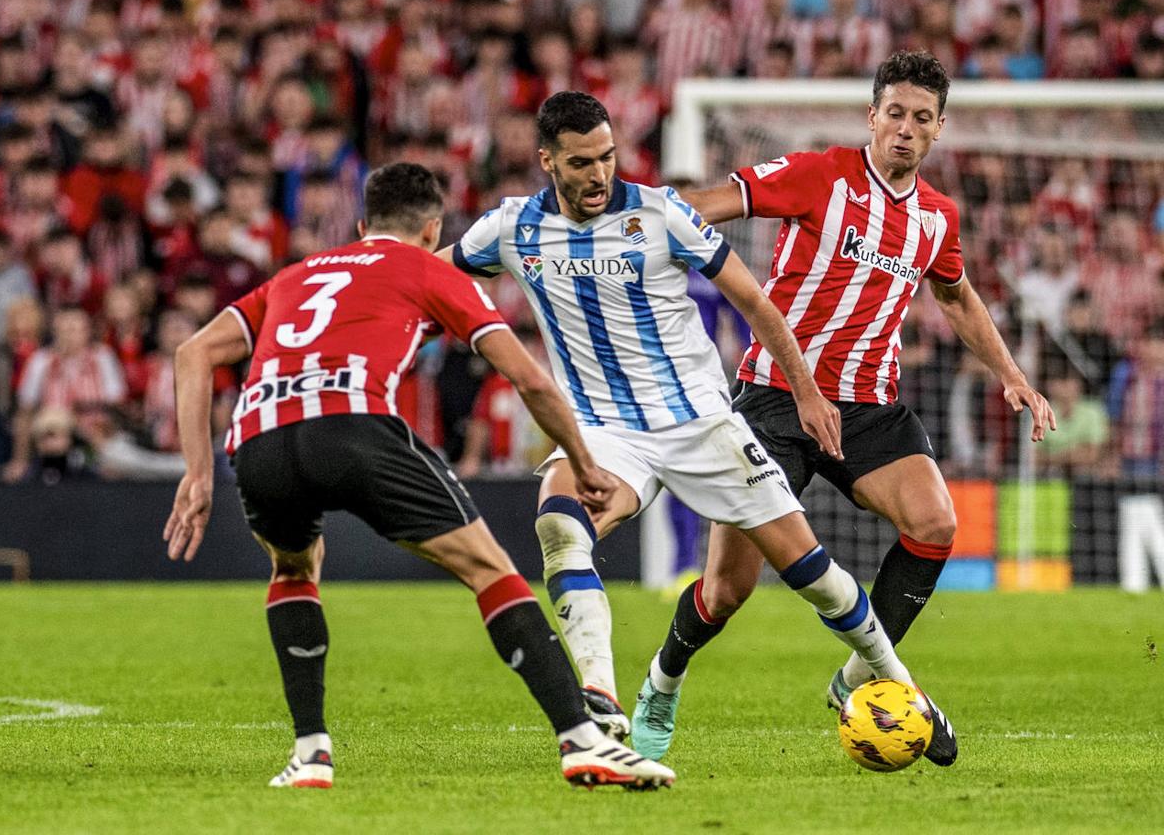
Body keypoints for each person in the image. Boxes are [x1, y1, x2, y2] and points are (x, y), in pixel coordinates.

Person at [439, 91, 951, 764]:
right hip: (604, 432)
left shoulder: (659, 213)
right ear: (547, 162)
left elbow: (755, 301)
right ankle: (601, 698)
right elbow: (428, 275)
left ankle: (899, 682)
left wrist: (806, 391)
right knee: (561, 532)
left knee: (810, 575)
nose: (598, 175)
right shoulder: (510, 229)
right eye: (581, 163)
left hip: (703, 422)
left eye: (607, 157)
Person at [162, 162, 673, 791]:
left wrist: (198, 472)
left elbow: (193, 354)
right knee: (490, 570)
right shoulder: (426, 268)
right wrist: (585, 462)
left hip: (258, 440)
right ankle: (583, 740)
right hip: (351, 422)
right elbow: (531, 379)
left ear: (359, 226)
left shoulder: (296, 275)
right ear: (432, 230)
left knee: (293, 568)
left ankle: (310, 753)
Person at [679, 51, 1055, 725]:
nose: (905, 129)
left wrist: (1014, 376)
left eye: (921, 118)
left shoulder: (937, 218)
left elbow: (958, 297)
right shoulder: (819, 175)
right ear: (872, 117)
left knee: (937, 523)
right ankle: (664, 679)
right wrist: (648, 225)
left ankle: (858, 678)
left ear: (938, 130)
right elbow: (708, 205)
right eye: (895, 114)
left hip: (867, 407)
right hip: (775, 398)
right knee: (727, 590)